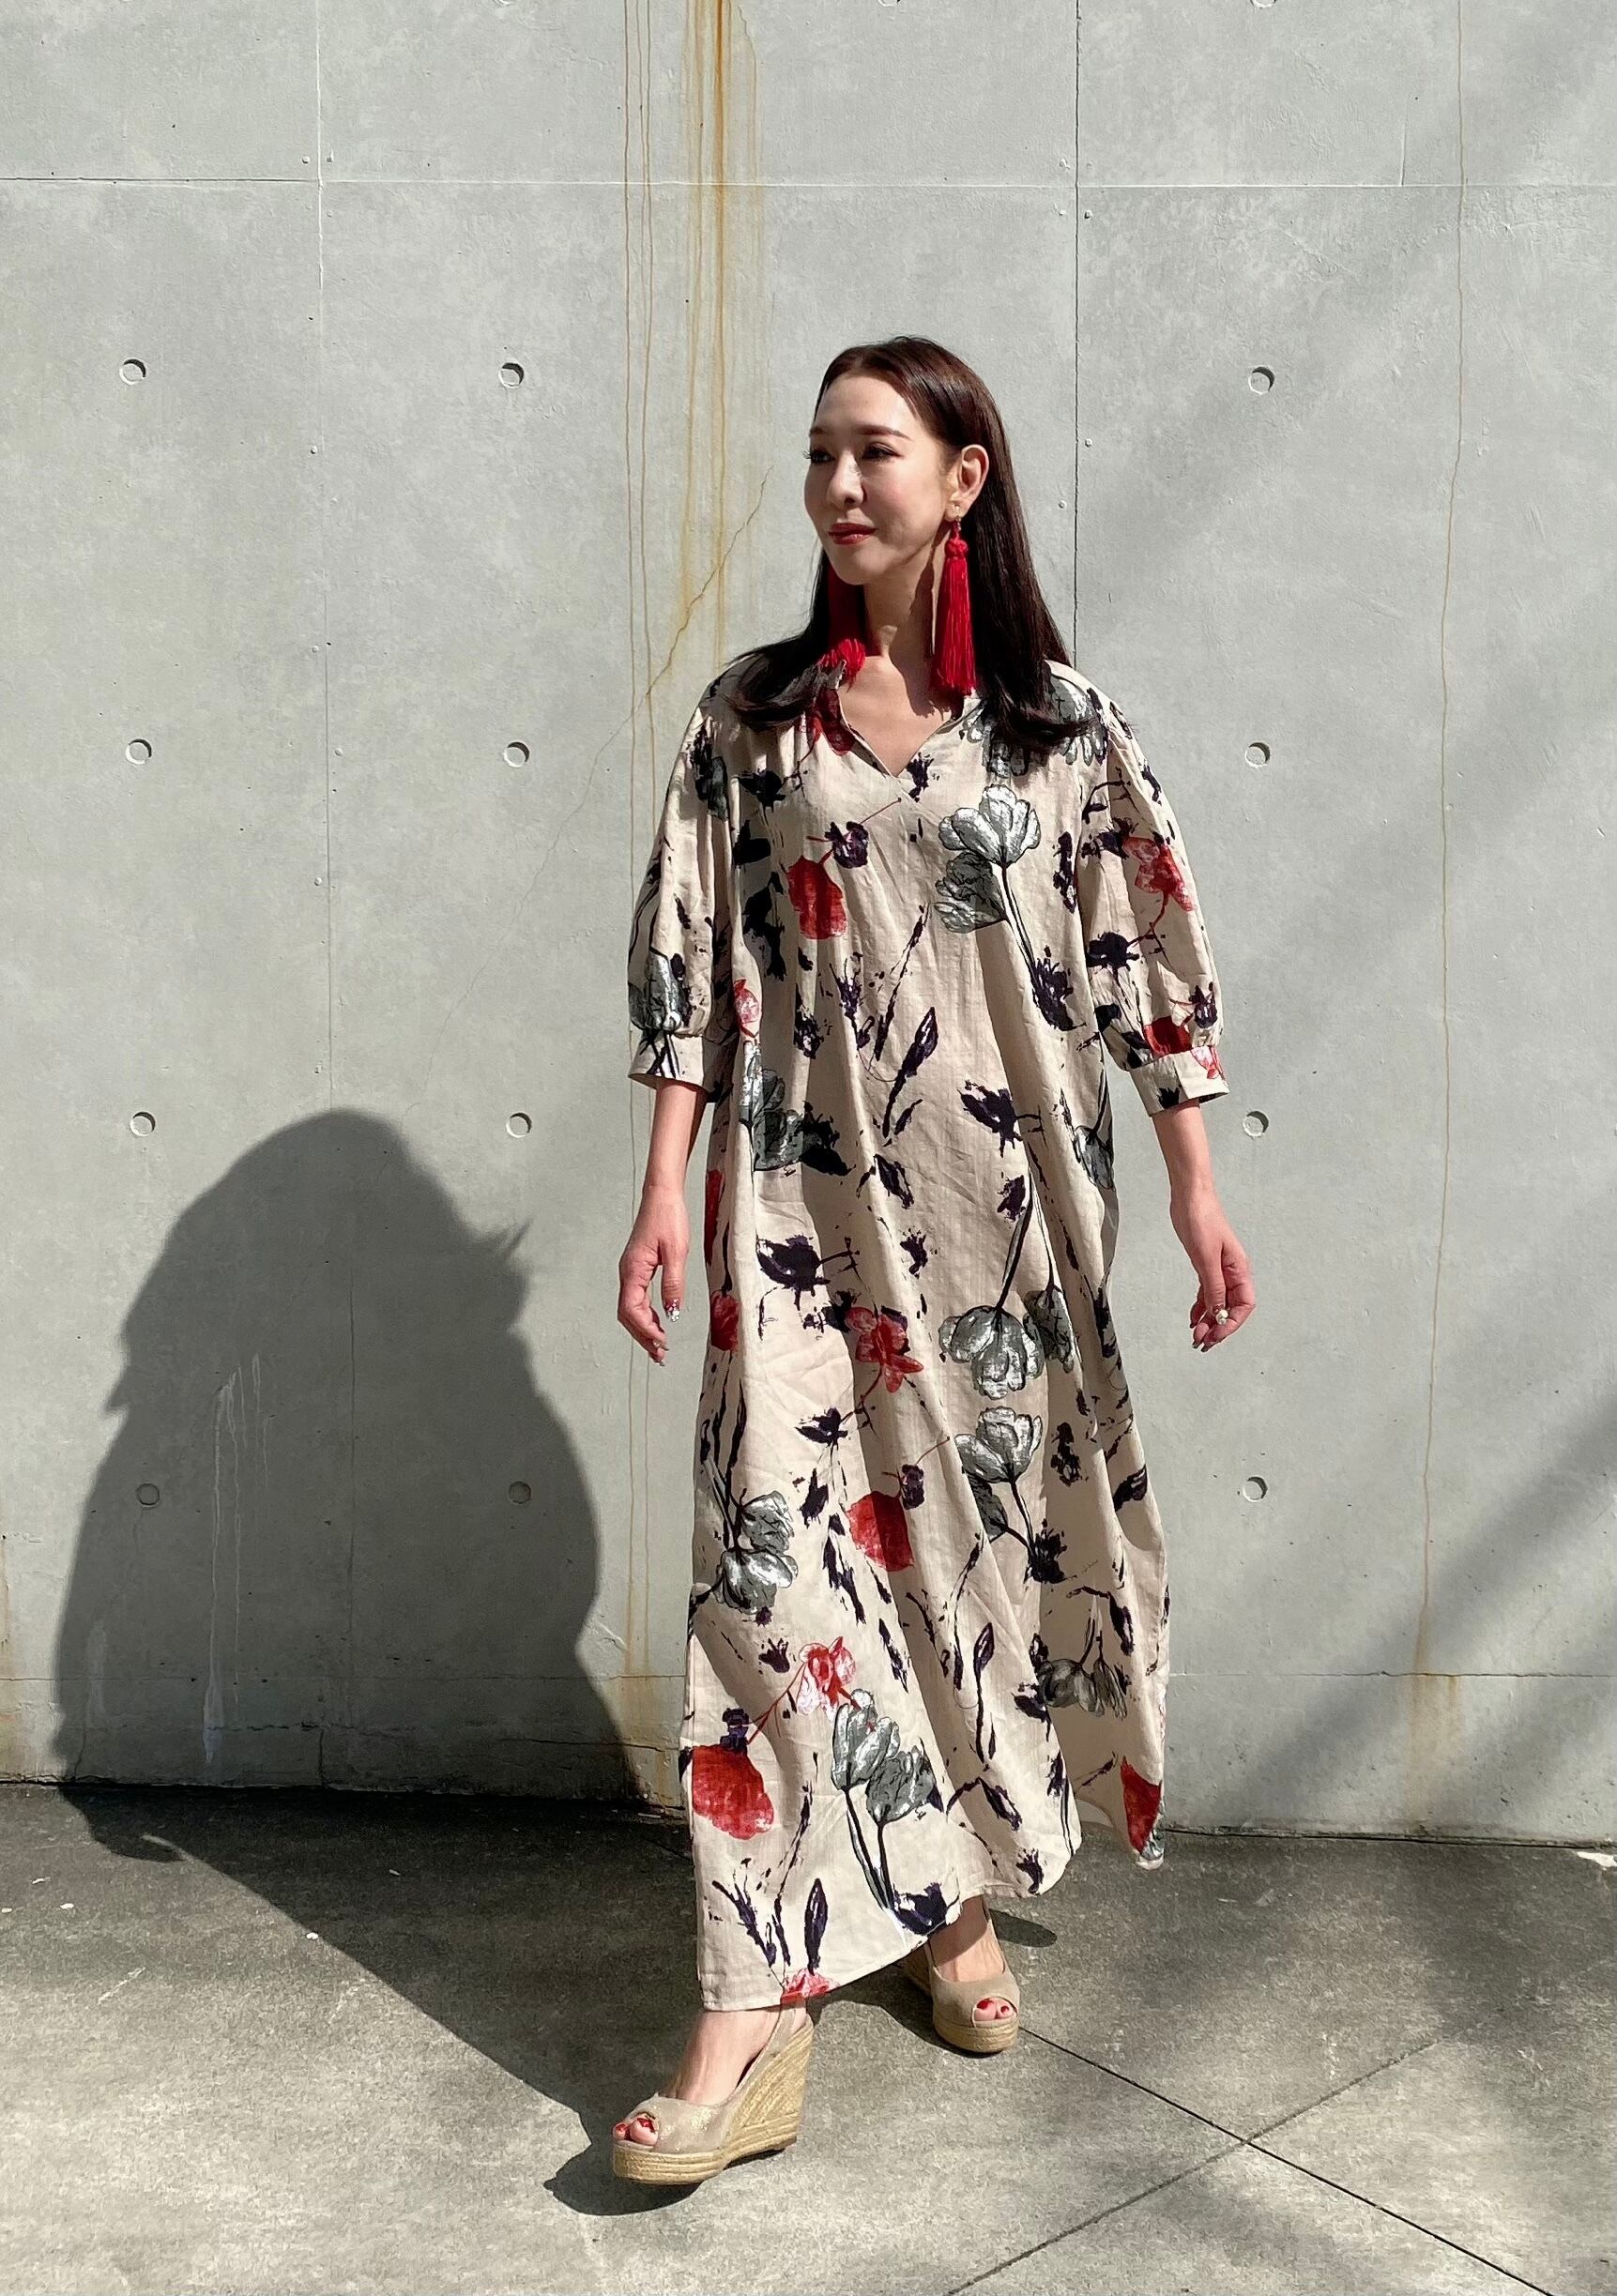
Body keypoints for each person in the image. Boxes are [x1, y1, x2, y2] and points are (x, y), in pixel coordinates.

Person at [612, 335, 1255, 2183]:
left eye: (874, 450)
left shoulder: (1057, 733)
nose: (837, 482)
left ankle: (947, 1900)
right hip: (795, 1226)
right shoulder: (752, 719)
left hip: (1005, 1229)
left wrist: (1197, 1190)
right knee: (771, 1582)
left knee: (973, 1570)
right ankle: (744, 2018)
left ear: (962, 480)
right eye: (819, 450)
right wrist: (660, 1189)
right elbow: (693, 964)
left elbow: (1145, 963)